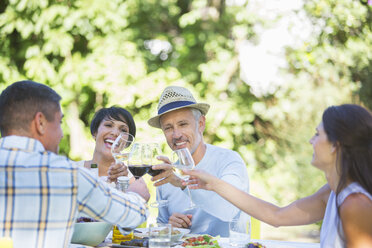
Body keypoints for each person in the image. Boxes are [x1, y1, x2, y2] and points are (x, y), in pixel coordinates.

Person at [183, 104, 372, 247]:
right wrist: (213, 183)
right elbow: (276, 216)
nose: (310, 140)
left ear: (334, 146)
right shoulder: (333, 192)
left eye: (317, 134)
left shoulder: (355, 203)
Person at [0, 80, 149, 248]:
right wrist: (137, 196)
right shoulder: (65, 174)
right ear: (40, 123)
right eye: (59, 123)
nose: (62, 135)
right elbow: (133, 214)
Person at [148, 86, 250, 237]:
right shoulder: (167, 175)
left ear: (201, 124)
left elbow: (228, 210)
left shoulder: (229, 161)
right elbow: (161, 228)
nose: (176, 135)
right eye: (168, 128)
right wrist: (170, 227)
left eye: (183, 124)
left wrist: (182, 184)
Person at [76, 106, 136, 183]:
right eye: (108, 125)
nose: (115, 133)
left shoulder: (134, 181)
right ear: (95, 132)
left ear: (127, 142)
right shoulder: (73, 170)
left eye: (123, 130)